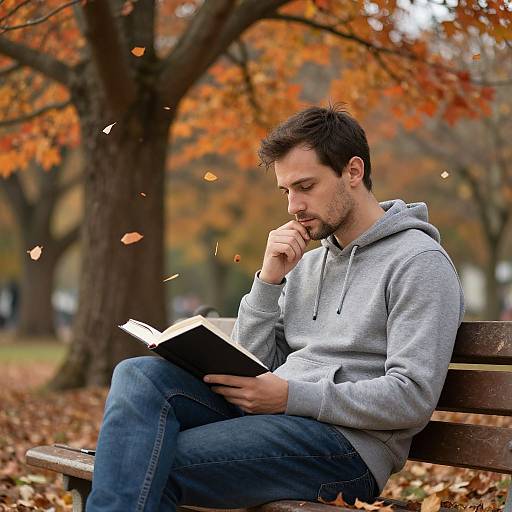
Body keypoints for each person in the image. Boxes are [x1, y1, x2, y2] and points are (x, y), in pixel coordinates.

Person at [86, 105, 465, 512]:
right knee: (139, 374)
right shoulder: (308, 262)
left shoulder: (419, 262)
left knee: (146, 459)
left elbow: (412, 397)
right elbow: (254, 361)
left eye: (306, 186)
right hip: (273, 420)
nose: (293, 206)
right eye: (287, 191)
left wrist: (290, 397)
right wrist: (268, 282)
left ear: (353, 172)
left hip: (344, 449)